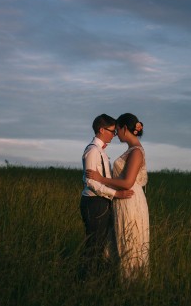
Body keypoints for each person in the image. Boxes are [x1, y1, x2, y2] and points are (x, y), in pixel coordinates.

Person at [87, 112, 149, 279]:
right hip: (122, 198)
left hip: (130, 199)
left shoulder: (136, 152)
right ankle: (119, 280)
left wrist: (101, 179)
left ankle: (131, 282)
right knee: (119, 242)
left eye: (117, 130)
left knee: (130, 243)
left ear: (123, 128)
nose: (116, 134)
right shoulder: (131, 150)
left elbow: (128, 182)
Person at [79, 114, 134, 280]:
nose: (114, 135)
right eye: (112, 131)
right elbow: (91, 182)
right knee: (94, 245)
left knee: (100, 244)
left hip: (102, 201)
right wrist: (117, 193)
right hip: (93, 202)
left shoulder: (101, 152)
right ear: (101, 130)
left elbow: (102, 179)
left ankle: (94, 276)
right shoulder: (92, 151)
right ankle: (85, 279)